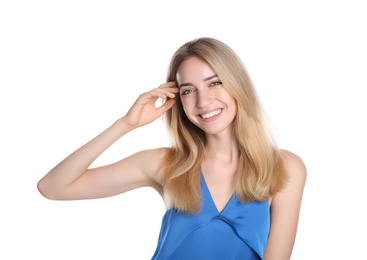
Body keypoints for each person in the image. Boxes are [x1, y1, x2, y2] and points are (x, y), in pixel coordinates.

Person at [38, 38, 306, 259]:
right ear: (178, 99)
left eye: (215, 82)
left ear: (238, 85)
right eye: (188, 90)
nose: (203, 100)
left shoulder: (285, 168)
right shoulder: (165, 163)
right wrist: (126, 124)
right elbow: (53, 187)